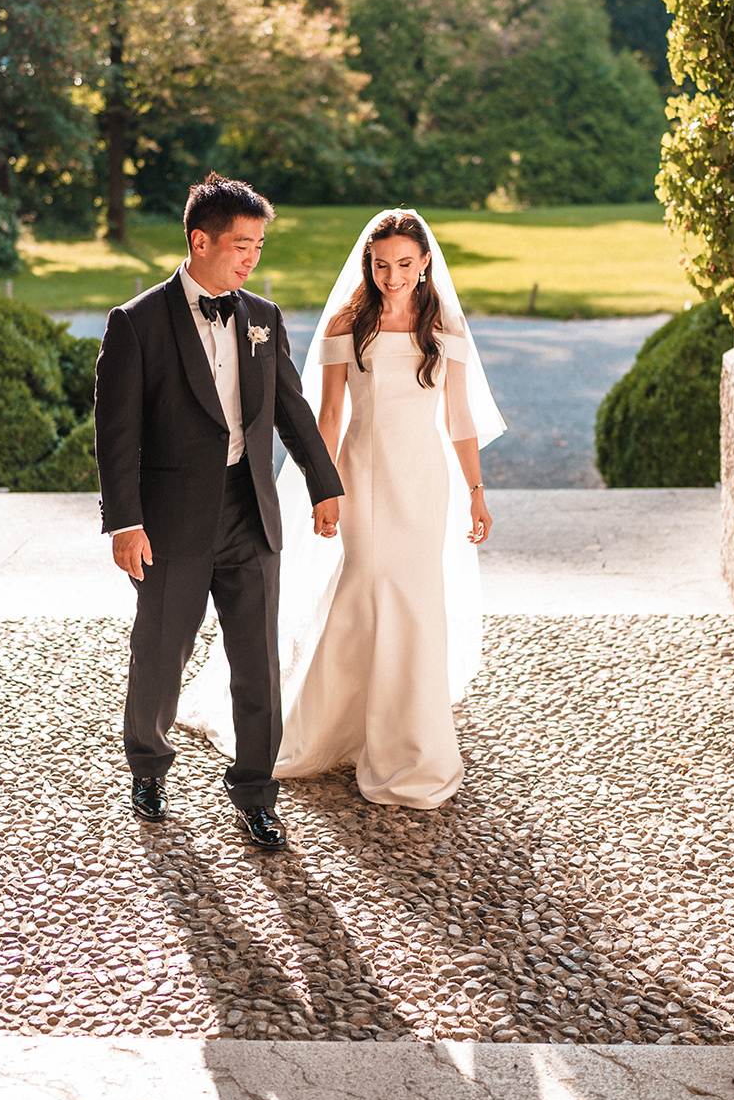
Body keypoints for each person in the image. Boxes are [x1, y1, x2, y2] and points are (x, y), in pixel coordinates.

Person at [180, 210, 505, 809]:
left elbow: (459, 420)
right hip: (360, 478)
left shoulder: (445, 327)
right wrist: (319, 488)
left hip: (423, 481)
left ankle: (411, 737)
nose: (393, 276)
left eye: (405, 264)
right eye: (382, 265)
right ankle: (336, 723)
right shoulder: (346, 323)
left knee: (416, 595)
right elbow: (326, 419)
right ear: (368, 263)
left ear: (426, 262)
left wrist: (477, 492)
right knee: (367, 584)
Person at [93, 173, 343, 851]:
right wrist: (124, 522)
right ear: (199, 241)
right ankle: (147, 765)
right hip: (170, 523)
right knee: (159, 654)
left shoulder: (262, 318)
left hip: (249, 513)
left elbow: (289, 408)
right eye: (240, 245)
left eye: (258, 246)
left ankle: (256, 793)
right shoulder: (136, 323)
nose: (251, 258)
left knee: (257, 662)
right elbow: (116, 437)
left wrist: (324, 484)